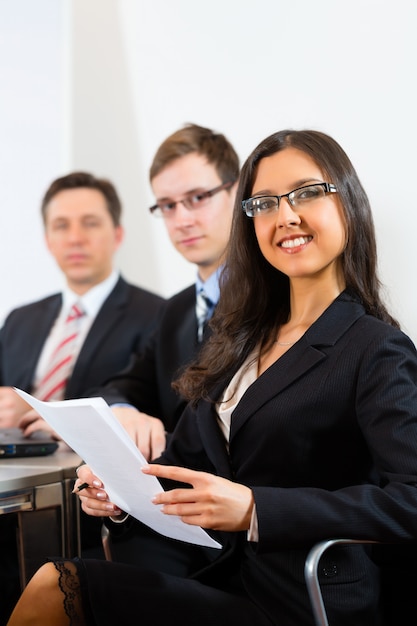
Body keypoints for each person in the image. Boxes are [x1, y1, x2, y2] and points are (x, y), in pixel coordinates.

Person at [8, 128, 417, 626]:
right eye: (264, 203)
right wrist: (118, 491)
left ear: (348, 204)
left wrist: (255, 508)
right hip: (221, 574)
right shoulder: (240, 339)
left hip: (299, 598)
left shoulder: (375, 347)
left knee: (58, 585)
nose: (286, 215)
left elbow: (410, 498)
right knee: (57, 580)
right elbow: (184, 464)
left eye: (307, 193)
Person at [0, 171, 164, 625]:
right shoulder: (20, 320)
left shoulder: (158, 316)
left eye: (90, 223)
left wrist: (40, 410)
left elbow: (146, 404)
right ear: (47, 239)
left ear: (117, 234)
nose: (75, 237)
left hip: (92, 513)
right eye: (61, 225)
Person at [97, 122, 239, 459]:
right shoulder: (176, 310)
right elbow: (121, 386)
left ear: (238, 192)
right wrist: (123, 411)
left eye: (198, 198)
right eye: (167, 205)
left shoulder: (279, 301)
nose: (181, 220)